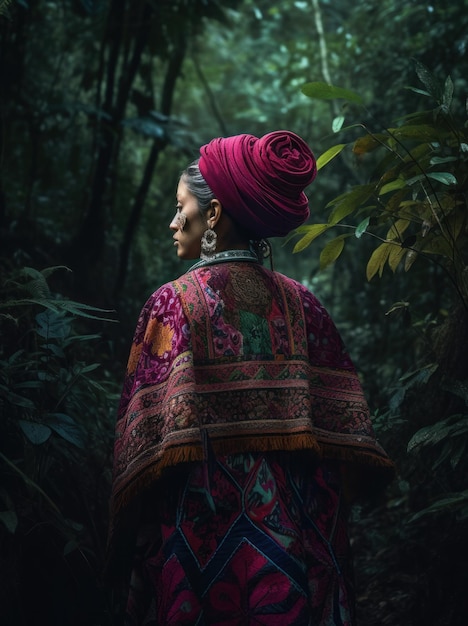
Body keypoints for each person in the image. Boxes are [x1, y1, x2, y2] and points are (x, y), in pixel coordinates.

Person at [108, 131, 394, 625]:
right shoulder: (306, 307)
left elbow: (138, 456)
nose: (174, 222)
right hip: (291, 564)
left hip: (196, 559)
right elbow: (346, 451)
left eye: (181, 208)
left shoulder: (171, 305)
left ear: (214, 214)